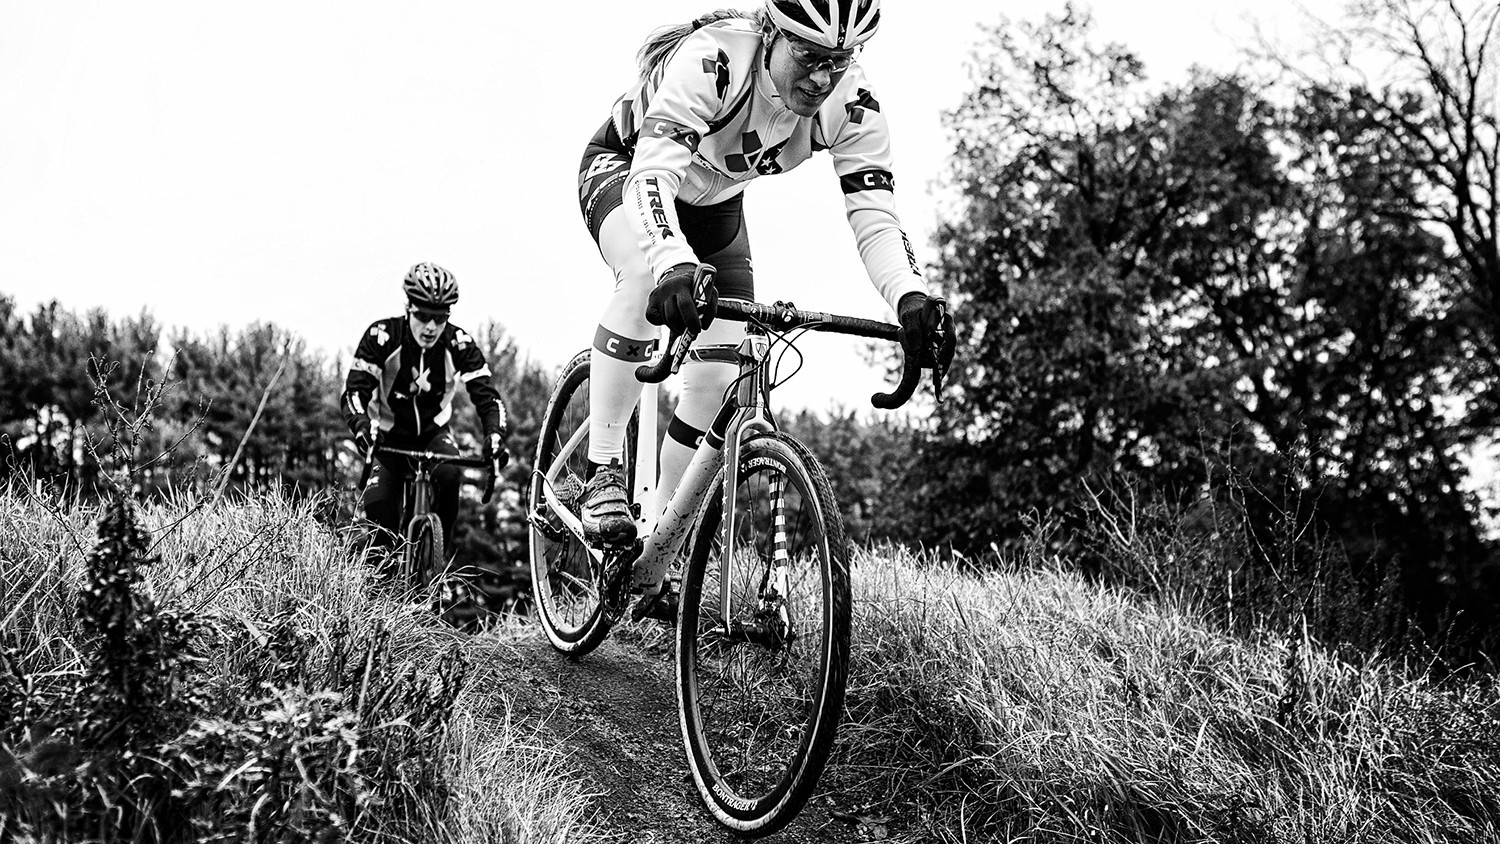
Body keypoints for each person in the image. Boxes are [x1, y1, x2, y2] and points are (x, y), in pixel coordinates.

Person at [574, 0, 955, 547]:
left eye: (839, 60)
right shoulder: (715, 59)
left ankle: (661, 540)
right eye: (809, 56)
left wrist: (911, 298)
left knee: (718, 375)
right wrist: (671, 260)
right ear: (772, 34)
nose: (822, 78)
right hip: (628, 169)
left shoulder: (853, 105)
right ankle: (603, 468)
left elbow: (875, 218)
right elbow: (652, 175)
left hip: (716, 205)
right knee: (640, 274)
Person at [341, 262, 511, 570]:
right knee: (381, 521)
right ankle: (381, 578)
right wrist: (361, 425)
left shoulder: (458, 343)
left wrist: (495, 435)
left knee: (450, 476)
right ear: (408, 308)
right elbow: (354, 392)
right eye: (423, 316)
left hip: (434, 435)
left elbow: (488, 397)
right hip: (389, 437)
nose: (431, 327)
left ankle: (434, 564)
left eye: (440, 317)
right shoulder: (383, 336)